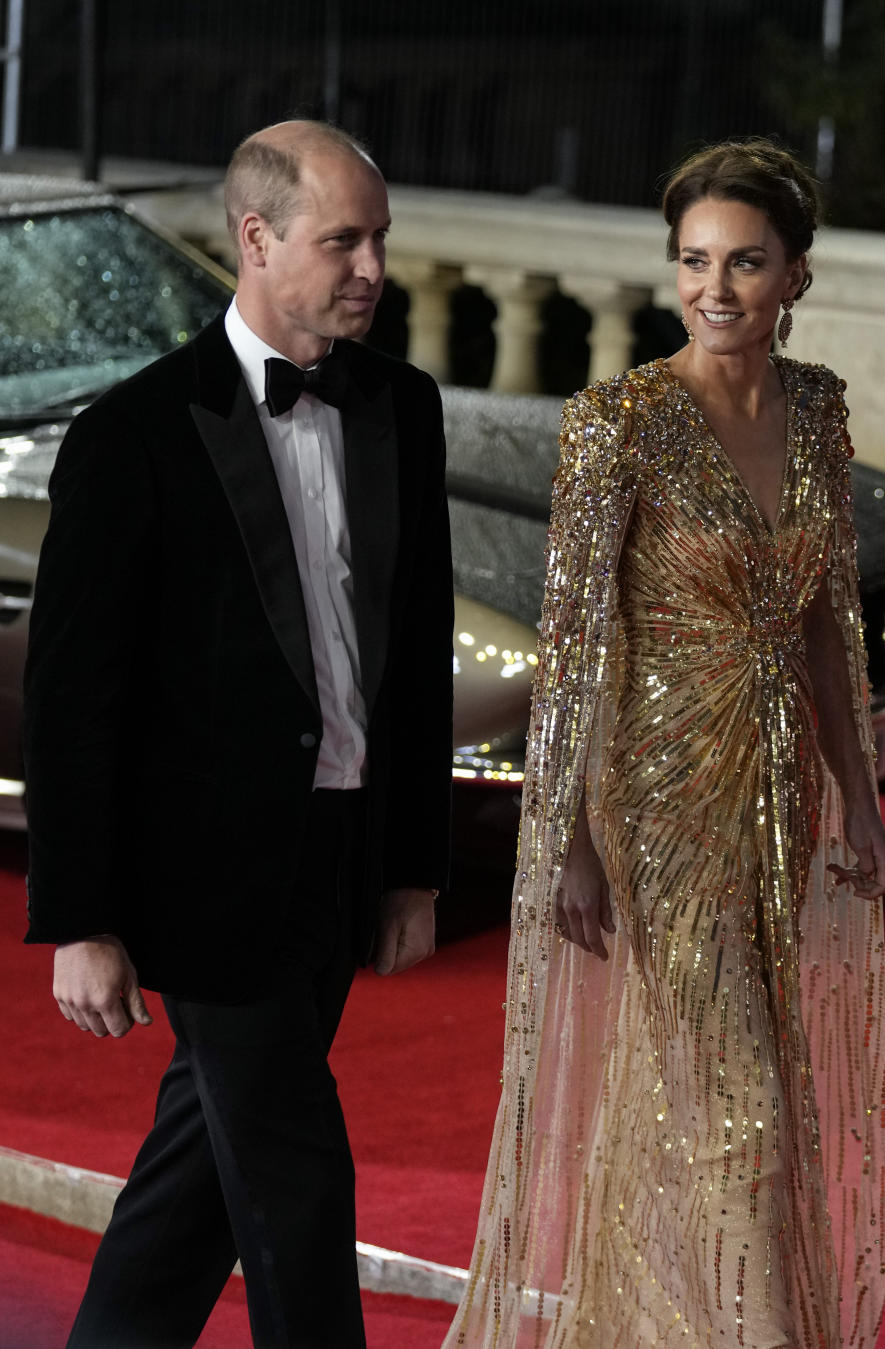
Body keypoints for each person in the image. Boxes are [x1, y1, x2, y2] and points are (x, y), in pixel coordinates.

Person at [444, 138, 885, 1349]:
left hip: (784, 781)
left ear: (795, 274)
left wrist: (859, 795)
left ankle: (656, 1319)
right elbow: (578, 643)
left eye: (747, 261)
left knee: (726, 1086)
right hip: (656, 796)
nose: (717, 287)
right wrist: (576, 834)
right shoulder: (619, 421)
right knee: (737, 1093)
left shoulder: (817, 410)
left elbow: (824, 620)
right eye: (695, 260)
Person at [23, 119, 453, 1349]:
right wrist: (82, 916)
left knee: (200, 1171)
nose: (373, 265)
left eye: (380, 238)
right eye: (343, 240)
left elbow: (412, 655)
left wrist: (414, 863)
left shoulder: (400, 409)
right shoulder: (134, 436)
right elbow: (73, 699)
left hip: (338, 850)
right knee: (297, 1176)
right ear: (257, 239)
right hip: (202, 879)